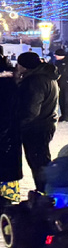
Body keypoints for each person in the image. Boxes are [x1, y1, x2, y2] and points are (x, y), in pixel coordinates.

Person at [15, 52, 59, 191]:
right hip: (45, 124)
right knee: (41, 161)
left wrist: (16, 125)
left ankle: (45, 193)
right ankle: (45, 191)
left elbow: (31, 111)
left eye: (19, 64)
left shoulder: (34, 81)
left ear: (25, 66)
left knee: (39, 163)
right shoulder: (47, 76)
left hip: (36, 128)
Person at [0, 57, 21, 206]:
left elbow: (4, 115)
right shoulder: (11, 83)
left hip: (4, 139)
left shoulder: (4, 86)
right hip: (9, 137)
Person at [52, 48, 68, 122]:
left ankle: (67, 116)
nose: (55, 56)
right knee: (61, 100)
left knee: (67, 99)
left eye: (56, 55)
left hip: (67, 84)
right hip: (59, 83)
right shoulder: (56, 62)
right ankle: (63, 115)